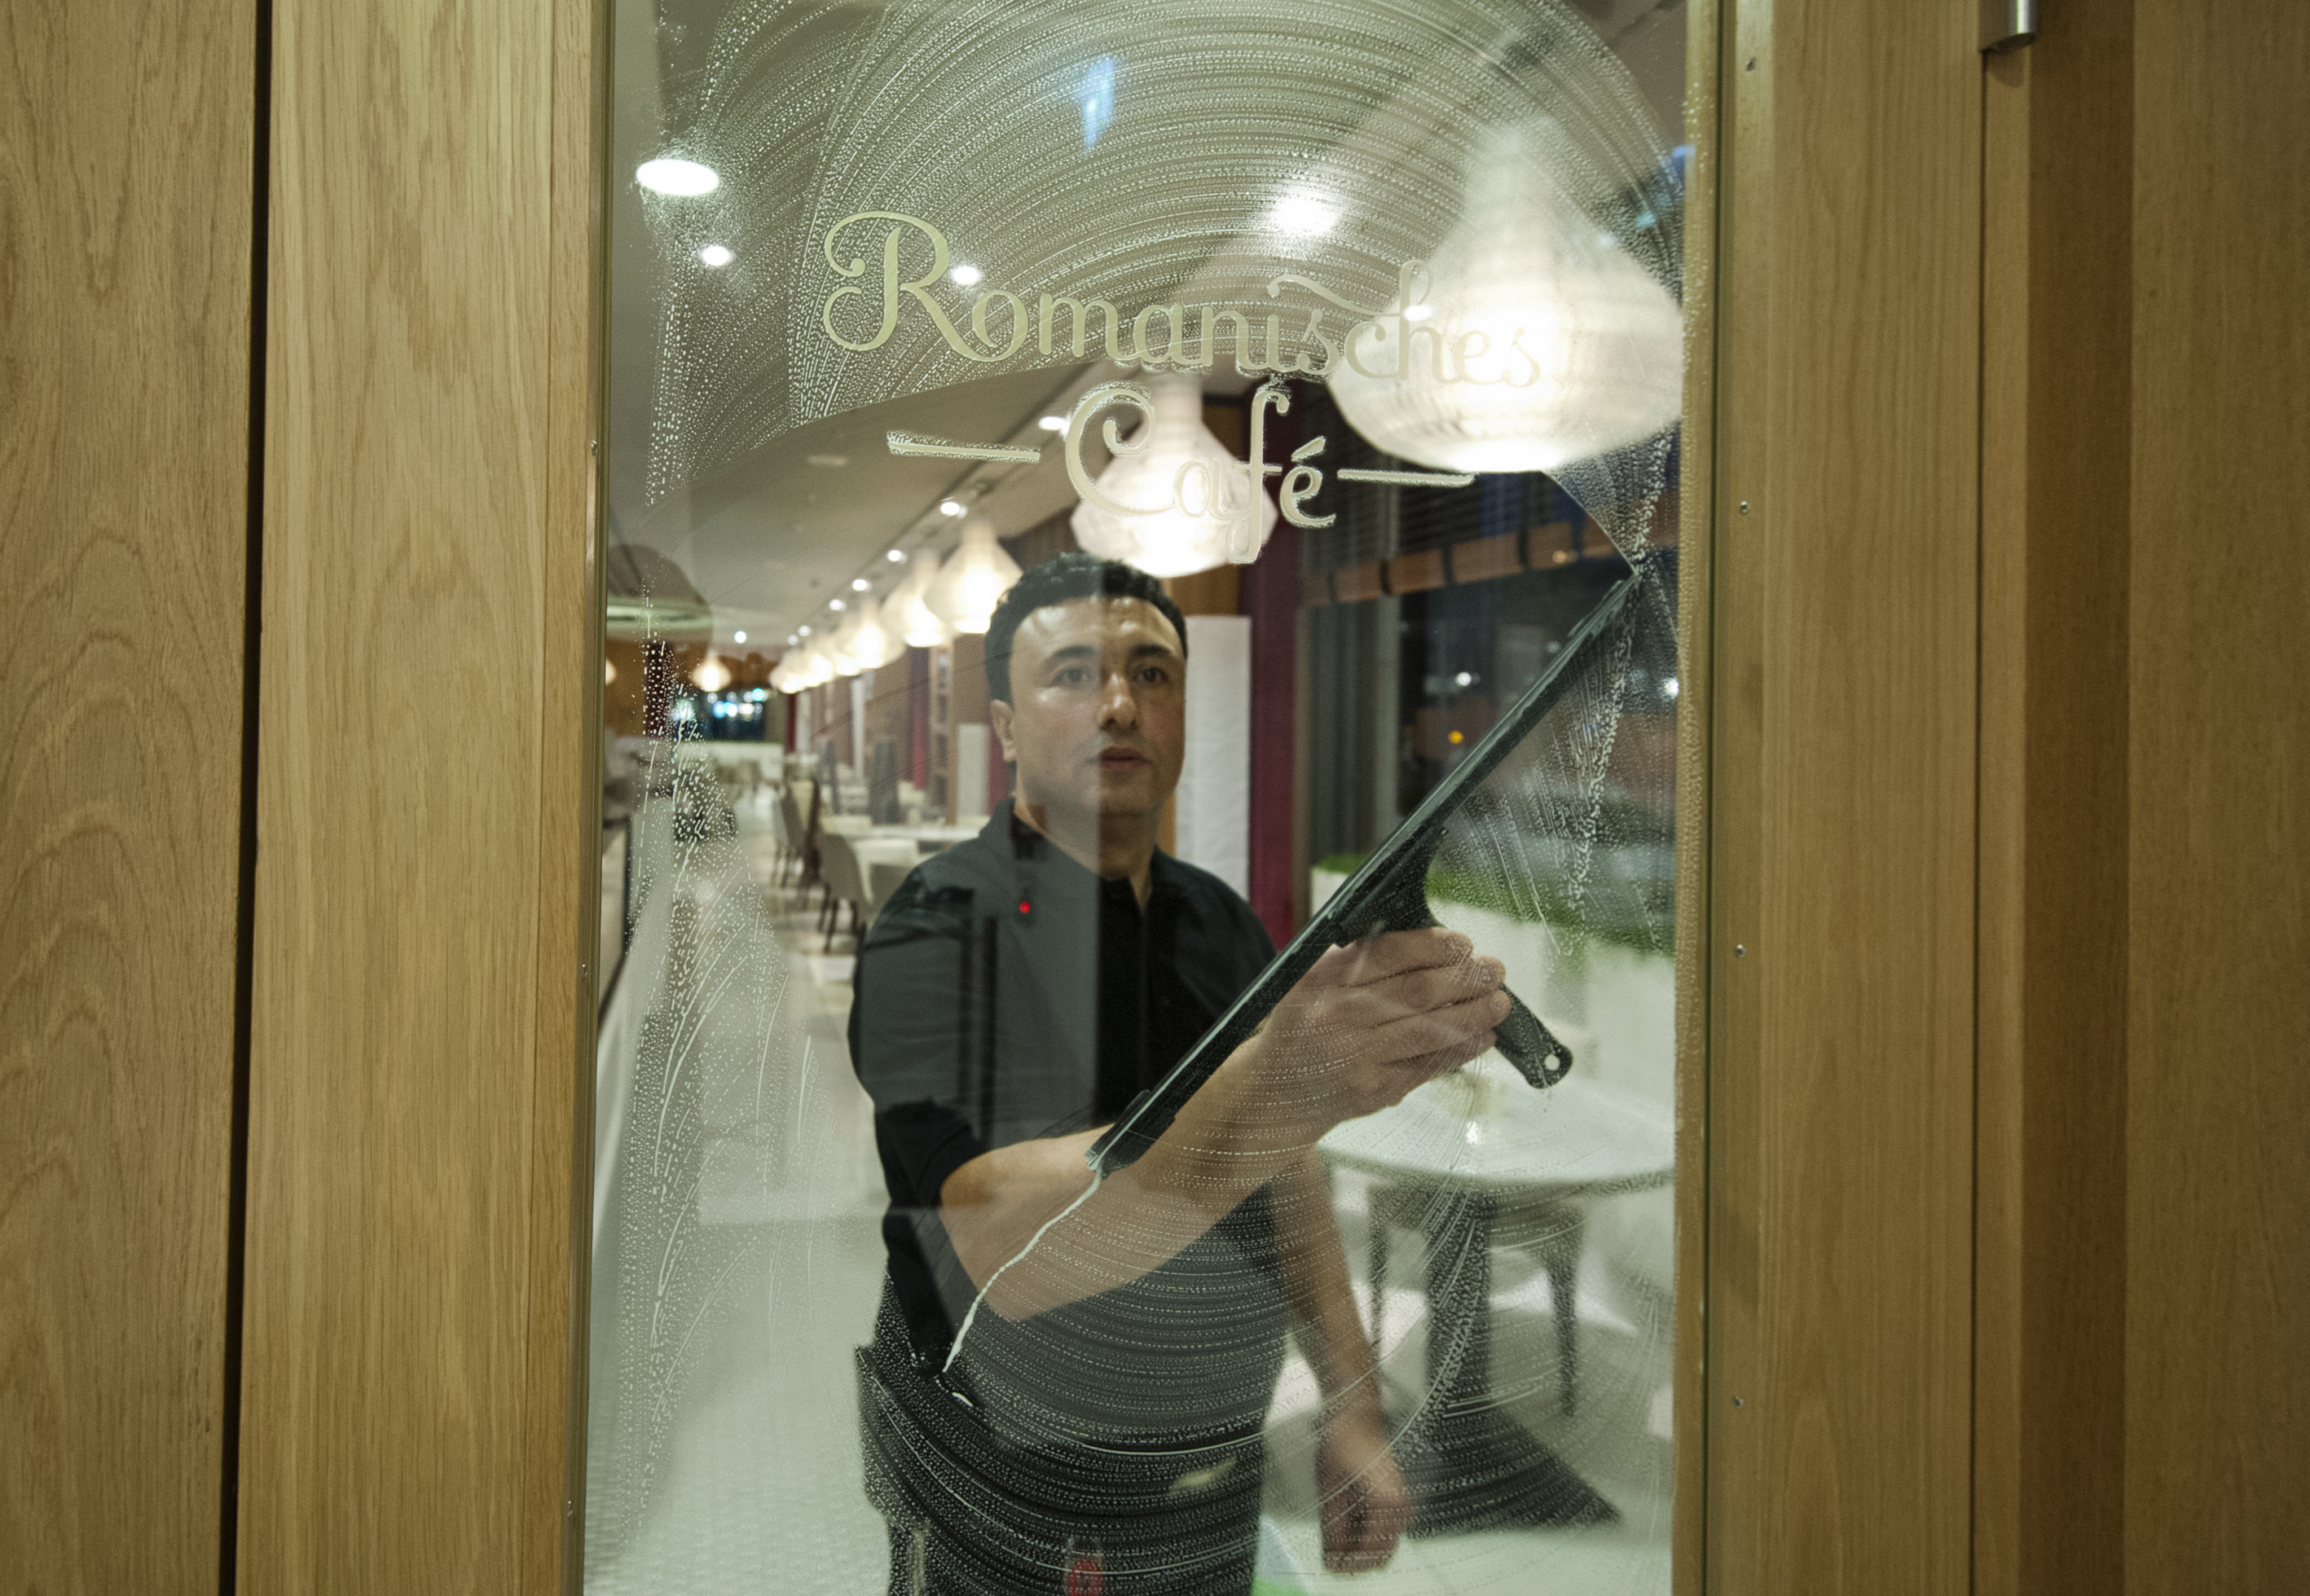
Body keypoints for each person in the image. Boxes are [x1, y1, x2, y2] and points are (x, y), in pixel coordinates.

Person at [850, 553, 1511, 1594]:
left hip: (1211, 1464)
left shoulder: (1221, 919)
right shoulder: (937, 927)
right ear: (1007, 726)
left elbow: (1287, 1171)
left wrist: (1352, 1402)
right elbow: (990, 1245)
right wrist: (1279, 1086)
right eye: (1073, 674)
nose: (1119, 703)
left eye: (1151, 674)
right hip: (1011, 1469)